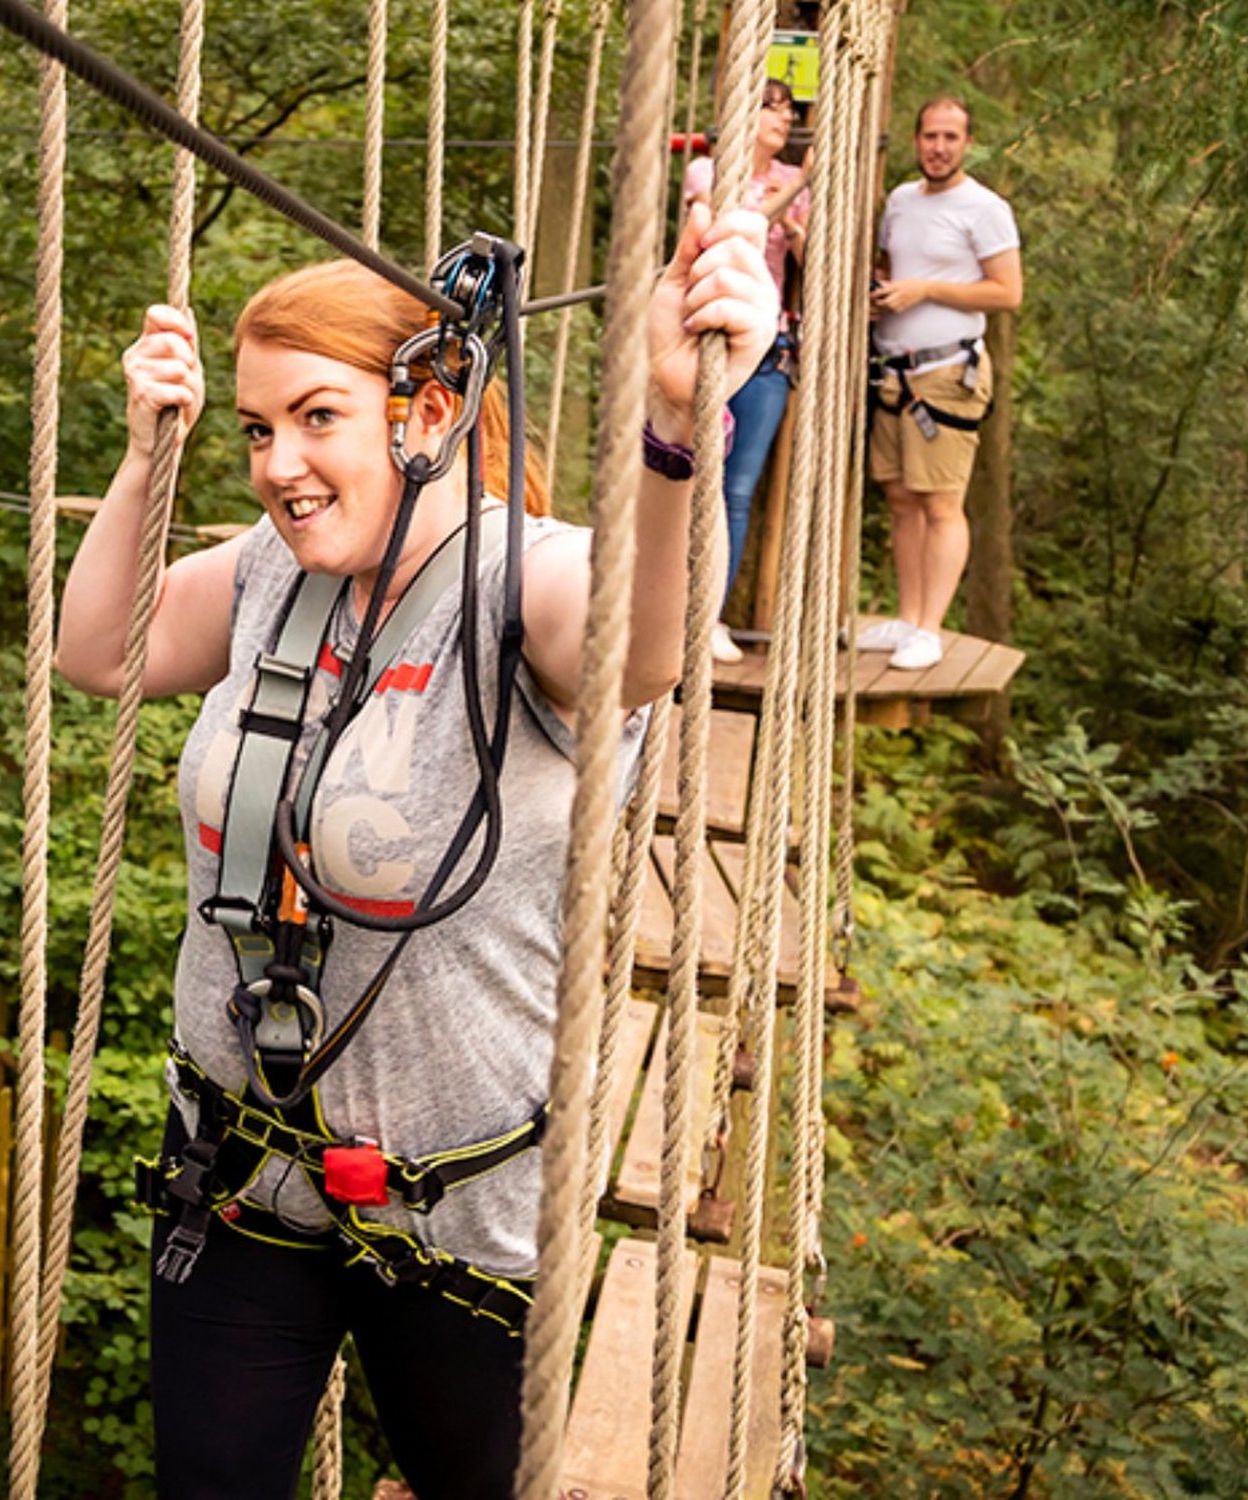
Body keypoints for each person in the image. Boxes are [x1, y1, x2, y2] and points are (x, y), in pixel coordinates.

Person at [55, 205, 779, 1500]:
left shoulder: (527, 586)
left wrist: (677, 433)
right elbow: (100, 653)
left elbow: (647, 642)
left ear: (431, 409)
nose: (279, 465)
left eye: (317, 417)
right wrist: (142, 462)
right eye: (257, 430)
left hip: (459, 1224)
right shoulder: (273, 574)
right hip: (243, 1185)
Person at [859, 95, 1023, 672]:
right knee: (902, 499)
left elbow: (1007, 292)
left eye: (951, 137)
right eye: (930, 136)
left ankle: (931, 627)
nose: (939, 147)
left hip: (948, 374)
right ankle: (908, 617)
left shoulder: (985, 209)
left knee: (941, 503)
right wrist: (883, 295)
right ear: (916, 140)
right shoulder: (901, 201)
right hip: (894, 371)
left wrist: (926, 290)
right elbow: (891, 269)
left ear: (967, 143)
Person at [681, 77, 810, 664]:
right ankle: (671, 611)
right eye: (773, 108)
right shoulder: (708, 173)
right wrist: (797, 188)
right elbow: (721, 228)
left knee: (736, 490)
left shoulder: (791, 186)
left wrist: (803, 223)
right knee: (690, 476)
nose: (784, 119)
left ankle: (708, 617)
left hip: (769, 347)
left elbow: (806, 260)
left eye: (789, 110)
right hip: (708, 337)